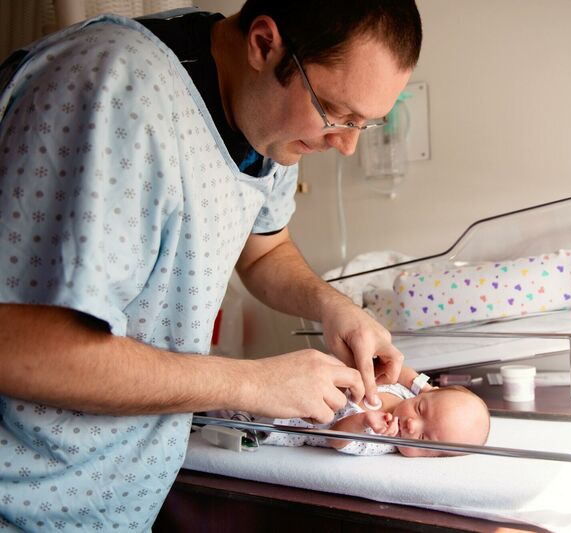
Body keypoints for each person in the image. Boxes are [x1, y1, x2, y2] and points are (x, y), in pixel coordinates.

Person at [0, 1, 422, 530]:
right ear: (264, 44)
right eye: (337, 113)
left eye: (366, 123)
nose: (347, 144)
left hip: (110, 505)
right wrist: (249, 383)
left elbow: (264, 249)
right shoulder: (113, 93)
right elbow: (21, 350)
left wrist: (335, 308)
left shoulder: (269, 125)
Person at [238, 369, 491, 457]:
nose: (413, 425)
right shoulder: (407, 393)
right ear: (425, 394)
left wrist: (362, 421)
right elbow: (397, 369)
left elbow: (336, 438)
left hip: (284, 419)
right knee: (244, 382)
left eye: (424, 440)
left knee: (231, 412)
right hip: (295, 383)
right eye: (421, 409)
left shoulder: (383, 439)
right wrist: (419, 382)